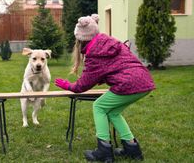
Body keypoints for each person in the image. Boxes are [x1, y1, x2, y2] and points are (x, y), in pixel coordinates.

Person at [54, 14, 155, 162]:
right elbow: (116, 65)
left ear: (80, 38)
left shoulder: (94, 53)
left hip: (127, 84)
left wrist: (68, 85)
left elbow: (82, 85)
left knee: (99, 106)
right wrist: (103, 76)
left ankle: (104, 151)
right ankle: (132, 149)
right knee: (113, 113)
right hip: (144, 81)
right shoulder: (110, 42)